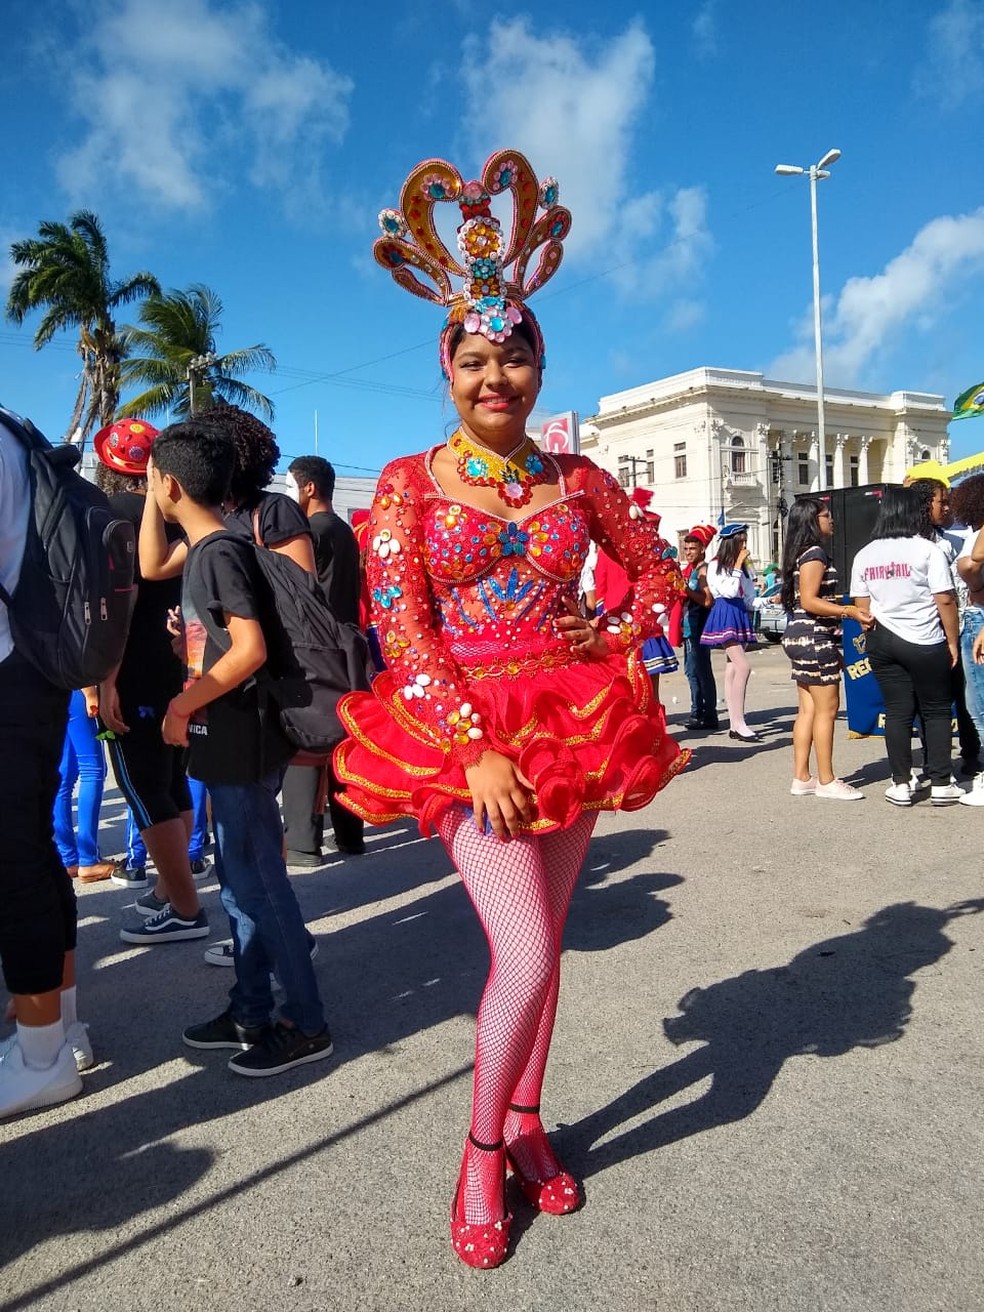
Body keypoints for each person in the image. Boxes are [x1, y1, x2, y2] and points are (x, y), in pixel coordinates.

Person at [333, 150, 689, 1268]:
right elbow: (402, 626)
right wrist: (472, 747)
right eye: (476, 360)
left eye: (515, 359)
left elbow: (663, 575)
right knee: (524, 950)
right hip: (459, 736)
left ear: (541, 366)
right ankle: (480, 1151)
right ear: (448, 368)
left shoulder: (580, 483)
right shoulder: (401, 483)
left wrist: (616, 633)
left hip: (574, 722)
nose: (498, 379)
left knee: (551, 944)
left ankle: (530, 1123)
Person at [147, 422, 333, 1077]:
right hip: (228, 732)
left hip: (239, 735)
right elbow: (221, 639)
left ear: (169, 485)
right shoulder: (213, 548)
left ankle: (305, 1022)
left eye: (152, 482)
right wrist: (193, 657)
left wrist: (181, 703)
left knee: (259, 885)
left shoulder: (214, 553)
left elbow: (250, 649)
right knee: (239, 884)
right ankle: (250, 1006)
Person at [89, 419, 209, 945]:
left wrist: (102, 680)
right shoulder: (176, 517)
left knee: (143, 788)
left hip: (132, 668)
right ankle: (170, 888)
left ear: (111, 467)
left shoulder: (112, 516)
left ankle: (184, 907)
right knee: (171, 779)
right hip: (178, 666)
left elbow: (120, 599)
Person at [0, 408, 86, 1118]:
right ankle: (60, 1023)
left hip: (4, 671)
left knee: (15, 864)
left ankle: (41, 1054)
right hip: (35, 668)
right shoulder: (16, 431)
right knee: (32, 852)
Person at [850, 485, 962, 807]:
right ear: (914, 513)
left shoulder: (864, 554)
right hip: (924, 638)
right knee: (937, 709)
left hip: (882, 640)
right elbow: (945, 599)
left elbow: (862, 607)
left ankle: (901, 783)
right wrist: (951, 641)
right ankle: (941, 783)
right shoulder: (927, 550)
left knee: (897, 711)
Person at [281, 455, 366, 861]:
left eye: (290, 484)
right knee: (343, 742)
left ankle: (302, 841)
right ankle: (350, 834)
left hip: (317, 646)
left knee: (306, 738)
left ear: (309, 487)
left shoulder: (311, 532)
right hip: (349, 643)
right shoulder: (344, 530)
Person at [780, 498, 872, 800]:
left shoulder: (799, 553)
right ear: (811, 520)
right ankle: (827, 779)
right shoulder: (815, 554)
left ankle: (802, 777)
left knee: (807, 709)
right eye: (825, 515)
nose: (831, 519)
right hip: (815, 637)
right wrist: (849, 611)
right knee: (826, 709)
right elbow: (809, 600)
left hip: (800, 636)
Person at [910, 476, 982, 776]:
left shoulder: (954, 540)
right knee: (931, 701)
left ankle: (971, 754)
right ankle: (933, 759)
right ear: (927, 505)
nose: (947, 507)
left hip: (960, 624)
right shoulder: (910, 544)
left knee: (967, 695)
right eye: (942, 501)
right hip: (928, 630)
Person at [594, 487, 678, 704]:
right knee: (650, 687)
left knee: (623, 686)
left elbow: (600, 592)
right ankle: (655, 727)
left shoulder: (606, 552)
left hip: (616, 623)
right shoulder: (658, 552)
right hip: (645, 621)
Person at [701, 523, 759, 741]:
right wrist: (737, 564)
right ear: (732, 543)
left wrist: (772, 601)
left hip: (739, 614)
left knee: (733, 670)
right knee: (743, 667)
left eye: (745, 541)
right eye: (741, 541)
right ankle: (739, 721)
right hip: (725, 614)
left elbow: (748, 598)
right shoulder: (716, 565)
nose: (744, 546)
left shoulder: (743, 568)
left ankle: (735, 724)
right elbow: (728, 591)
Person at [53, 685, 116, 882]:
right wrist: (90, 692)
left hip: (58, 686)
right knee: (93, 770)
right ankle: (88, 860)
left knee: (65, 773)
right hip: (79, 687)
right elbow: (78, 653)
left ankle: (69, 858)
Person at [951, 476, 984, 806]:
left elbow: (972, 565)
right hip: (975, 617)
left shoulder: (977, 535)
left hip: (979, 618)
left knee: (978, 702)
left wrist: (968, 576)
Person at [679, 524, 718, 731]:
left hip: (698, 628)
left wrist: (684, 589)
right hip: (689, 628)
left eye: (692, 549)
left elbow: (707, 601)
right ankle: (702, 712)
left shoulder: (703, 570)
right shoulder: (693, 570)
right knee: (693, 671)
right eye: (686, 549)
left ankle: (703, 714)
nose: (688, 553)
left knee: (698, 672)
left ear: (702, 549)